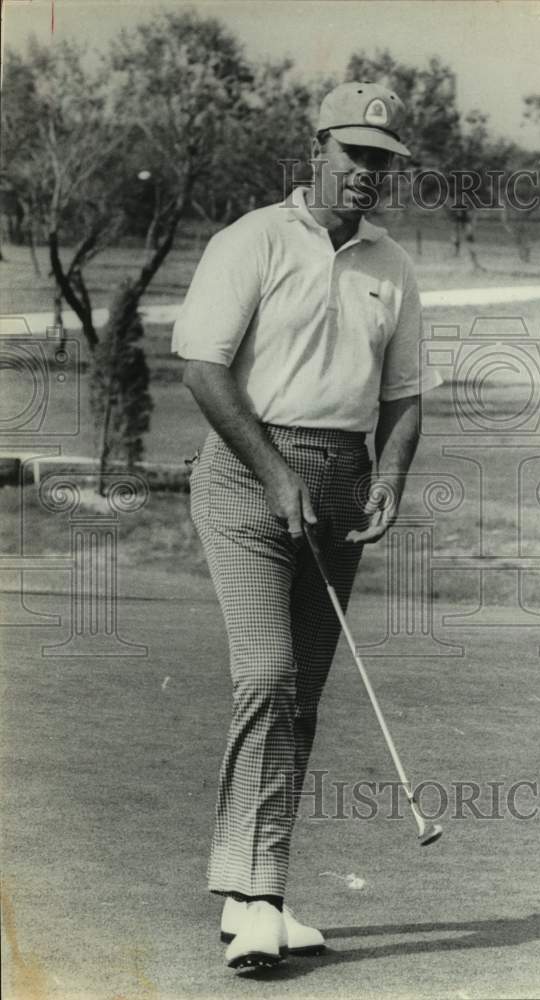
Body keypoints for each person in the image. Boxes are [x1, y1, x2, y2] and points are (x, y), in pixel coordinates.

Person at [172, 81, 441, 971]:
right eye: (355, 154)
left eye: (382, 161)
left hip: (342, 481)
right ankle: (251, 897)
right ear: (318, 148)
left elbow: (403, 393)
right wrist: (274, 471)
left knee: (303, 697)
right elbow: (203, 370)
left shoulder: (391, 266)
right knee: (269, 675)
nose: (368, 174)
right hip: (247, 476)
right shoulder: (251, 239)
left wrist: (389, 480)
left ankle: (262, 894)